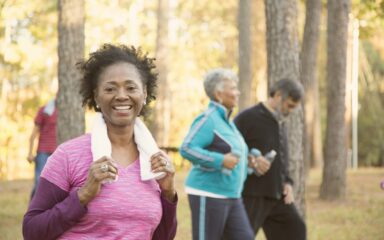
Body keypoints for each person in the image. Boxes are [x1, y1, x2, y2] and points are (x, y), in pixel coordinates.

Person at [23, 44, 177, 240]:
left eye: (131, 87)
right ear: (96, 96)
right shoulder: (69, 155)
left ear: (144, 93)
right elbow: (32, 231)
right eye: (110, 88)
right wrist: (84, 194)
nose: (121, 95)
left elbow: (162, 237)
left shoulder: (154, 163)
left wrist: (168, 192)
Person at [180, 68, 254, 240]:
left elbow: (233, 152)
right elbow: (187, 148)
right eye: (233, 88)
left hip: (232, 195)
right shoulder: (208, 119)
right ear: (219, 94)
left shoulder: (228, 122)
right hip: (208, 193)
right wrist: (220, 160)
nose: (238, 92)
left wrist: (250, 162)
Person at [234, 78, 307, 240]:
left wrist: (287, 182)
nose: (290, 111)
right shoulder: (247, 118)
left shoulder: (280, 121)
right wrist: (251, 160)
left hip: (278, 196)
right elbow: (228, 148)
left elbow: (282, 157)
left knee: (296, 230)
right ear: (278, 95)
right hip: (251, 195)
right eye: (289, 106)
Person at [27, 99, 57, 199]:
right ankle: (33, 209)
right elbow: (33, 134)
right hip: (43, 152)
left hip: (58, 153)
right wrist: (30, 153)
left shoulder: (66, 111)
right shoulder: (44, 110)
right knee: (39, 182)